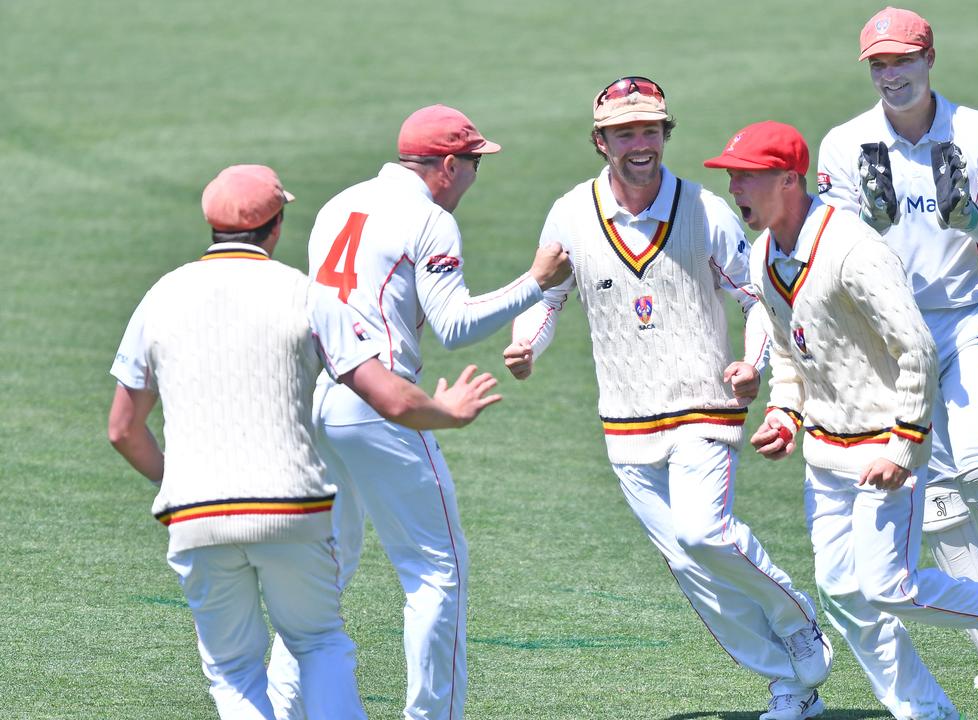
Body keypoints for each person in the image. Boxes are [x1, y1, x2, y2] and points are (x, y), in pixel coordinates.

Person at [107, 165, 502, 719]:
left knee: (233, 673)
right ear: (276, 226)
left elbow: (123, 429)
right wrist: (449, 413)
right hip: (291, 511)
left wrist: (174, 482)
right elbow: (387, 397)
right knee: (319, 645)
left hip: (195, 516)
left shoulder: (160, 296)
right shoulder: (304, 294)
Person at [703, 120, 978, 718]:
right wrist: (785, 414)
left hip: (884, 448)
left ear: (789, 180)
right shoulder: (767, 251)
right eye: (732, 177)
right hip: (826, 453)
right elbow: (791, 345)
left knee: (890, 589)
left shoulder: (854, 250)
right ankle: (926, 712)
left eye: (746, 176)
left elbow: (917, 349)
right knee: (845, 595)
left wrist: (903, 448)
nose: (735, 189)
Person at [502, 77, 833, 720]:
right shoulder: (570, 214)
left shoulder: (705, 211)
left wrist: (750, 362)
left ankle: (797, 620)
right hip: (624, 420)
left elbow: (756, 299)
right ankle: (789, 684)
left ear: (665, 134)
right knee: (688, 563)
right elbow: (548, 298)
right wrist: (526, 350)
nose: (641, 143)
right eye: (625, 132)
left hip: (703, 406)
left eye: (651, 129)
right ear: (601, 142)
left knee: (703, 531)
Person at [266, 105, 572, 720]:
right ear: (448, 166)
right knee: (437, 570)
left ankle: (278, 707)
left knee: (327, 567)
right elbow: (455, 325)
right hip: (383, 405)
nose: (475, 178)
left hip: (322, 400)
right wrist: (535, 282)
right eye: (475, 165)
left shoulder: (337, 205)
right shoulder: (428, 219)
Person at [815, 6, 978, 691]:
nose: (891, 75)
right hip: (890, 339)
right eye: (879, 65)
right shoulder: (846, 145)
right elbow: (837, 249)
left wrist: (970, 219)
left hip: (965, 320)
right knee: (940, 494)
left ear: (929, 60)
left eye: (902, 61)